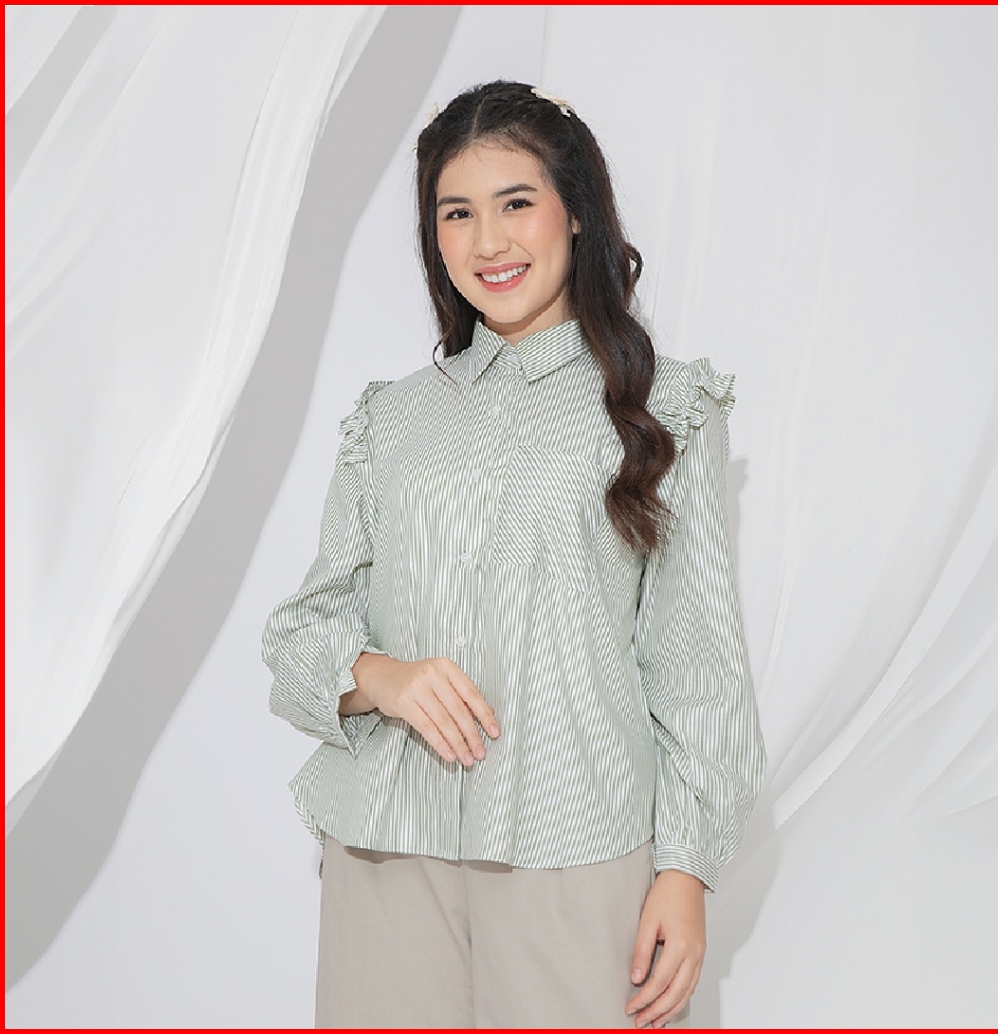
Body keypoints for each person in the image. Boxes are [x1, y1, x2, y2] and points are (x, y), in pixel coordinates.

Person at [262, 80, 765, 1029]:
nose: (488, 241)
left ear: (575, 212)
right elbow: (299, 636)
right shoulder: (392, 420)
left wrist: (685, 871)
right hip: (386, 848)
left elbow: (698, 669)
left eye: (516, 203)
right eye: (457, 212)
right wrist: (385, 678)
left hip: (576, 850)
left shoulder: (664, 411)